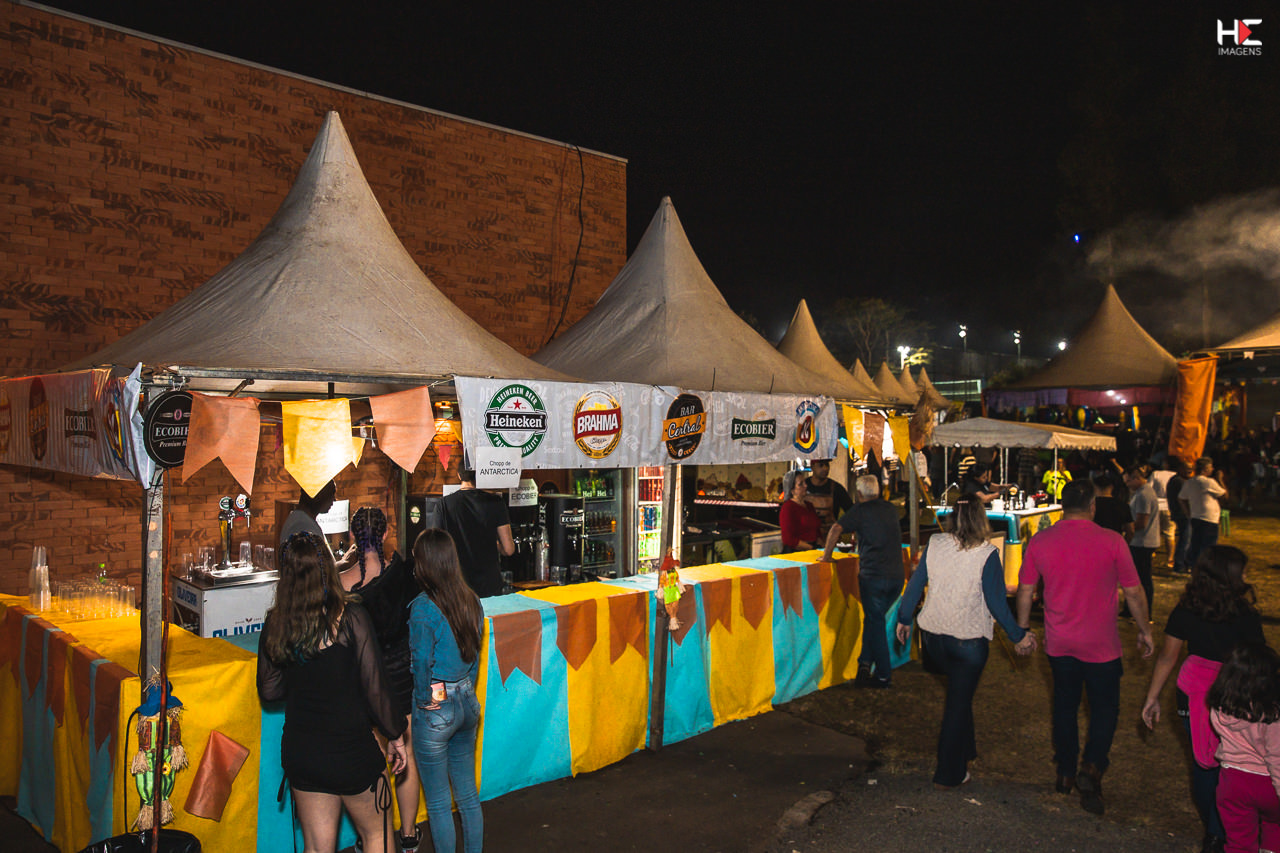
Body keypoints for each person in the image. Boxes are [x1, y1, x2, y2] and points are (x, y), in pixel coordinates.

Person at [257, 531, 408, 853]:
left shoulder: (276, 623)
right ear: (327, 568)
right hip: (350, 749)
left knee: (316, 847)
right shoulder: (351, 617)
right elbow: (375, 688)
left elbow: (270, 691)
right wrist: (395, 734)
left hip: (303, 750)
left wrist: (301, 669)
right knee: (377, 836)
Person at [1016, 479, 1154, 816]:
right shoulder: (1112, 541)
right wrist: (1145, 629)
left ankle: (1065, 771)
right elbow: (1134, 592)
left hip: (1060, 641)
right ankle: (1092, 766)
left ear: (1063, 507)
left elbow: (1025, 589)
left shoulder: (1041, 541)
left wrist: (1022, 629)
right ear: (1092, 506)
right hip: (1101, 644)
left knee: (1064, 705)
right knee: (1104, 709)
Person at [895, 495, 1036, 789]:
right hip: (967, 642)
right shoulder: (987, 554)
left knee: (960, 695)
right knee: (957, 705)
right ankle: (950, 773)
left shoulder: (935, 543)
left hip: (933, 638)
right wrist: (1018, 635)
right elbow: (997, 602)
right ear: (981, 518)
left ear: (952, 517)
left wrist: (904, 618)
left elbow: (916, 583)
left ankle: (967, 749)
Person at [1141, 545, 1265, 853]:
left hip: (1192, 692)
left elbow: (1168, 657)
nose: (1246, 576)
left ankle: (1213, 831)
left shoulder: (1187, 608)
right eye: (1242, 571)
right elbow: (1257, 661)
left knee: (1203, 762)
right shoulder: (1246, 615)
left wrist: (1152, 697)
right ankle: (1219, 829)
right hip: (1234, 693)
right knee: (1230, 762)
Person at [340, 507, 423, 852]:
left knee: (375, 762)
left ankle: (377, 836)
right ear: (386, 533)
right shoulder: (402, 573)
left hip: (365, 679)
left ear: (352, 537)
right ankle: (408, 835)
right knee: (407, 756)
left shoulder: (342, 583)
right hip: (403, 674)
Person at [409, 529, 486, 853]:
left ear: (424, 564)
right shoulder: (472, 600)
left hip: (436, 709)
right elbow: (475, 655)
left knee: (439, 804)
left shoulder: (422, 608)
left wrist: (423, 698)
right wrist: (464, 687)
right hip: (467, 700)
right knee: (467, 796)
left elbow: (420, 662)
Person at [821, 474, 904, 688]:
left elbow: (836, 528)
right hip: (896, 576)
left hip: (874, 577)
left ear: (858, 494)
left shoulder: (860, 510)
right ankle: (864, 665)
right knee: (873, 621)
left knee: (876, 624)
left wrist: (827, 556)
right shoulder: (890, 509)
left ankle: (883, 675)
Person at [1207, 643, 1280, 853]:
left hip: (1232, 782)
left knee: (1238, 843)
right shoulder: (1271, 714)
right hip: (1267, 783)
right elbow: (1276, 756)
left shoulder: (1219, 706)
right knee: (1275, 828)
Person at [440, 468, 515, 598]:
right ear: (480, 474)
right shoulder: (495, 502)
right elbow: (508, 549)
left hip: (457, 584)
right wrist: (496, 544)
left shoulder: (444, 504)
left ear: (459, 475)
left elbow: (438, 548)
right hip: (489, 584)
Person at [1125, 465, 1161, 616]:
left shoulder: (1143, 495)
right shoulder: (1142, 492)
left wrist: (1128, 531)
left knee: (1143, 578)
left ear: (1136, 478)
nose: (1127, 485)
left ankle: (1145, 611)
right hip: (1142, 541)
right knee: (1138, 577)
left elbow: (1141, 521)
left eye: (1128, 481)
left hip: (1142, 542)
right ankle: (1131, 609)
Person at [1184, 457, 1230, 569]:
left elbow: (1181, 498)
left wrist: (1188, 512)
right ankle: (1203, 567)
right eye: (1210, 467)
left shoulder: (1190, 481)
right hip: (1209, 518)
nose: (1212, 469)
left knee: (1196, 543)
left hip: (1195, 516)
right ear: (1205, 469)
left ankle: (1192, 565)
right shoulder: (1209, 482)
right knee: (1208, 545)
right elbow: (1225, 496)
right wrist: (1220, 479)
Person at [804, 458, 853, 537]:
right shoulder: (802, 486)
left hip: (829, 538)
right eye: (821, 465)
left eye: (827, 465)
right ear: (812, 466)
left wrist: (840, 529)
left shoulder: (837, 488)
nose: (825, 468)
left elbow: (851, 513)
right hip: (806, 538)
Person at [779, 469, 821, 551]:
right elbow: (788, 539)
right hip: (797, 552)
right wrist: (811, 548)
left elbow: (817, 530)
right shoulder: (788, 507)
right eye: (800, 484)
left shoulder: (809, 506)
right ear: (792, 490)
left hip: (813, 549)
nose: (805, 486)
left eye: (805, 482)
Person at [1151, 462, 1178, 568]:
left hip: (1156, 506)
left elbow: (1149, 488)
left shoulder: (1156, 474)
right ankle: (1170, 559)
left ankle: (1151, 553)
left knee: (1154, 531)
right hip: (1170, 507)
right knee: (1170, 534)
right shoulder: (1176, 476)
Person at [1169, 459, 1193, 572]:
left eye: (1191, 469)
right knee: (1185, 540)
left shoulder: (1177, 480)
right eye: (1187, 468)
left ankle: (1181, 563)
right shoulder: (1180, 482)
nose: (1190, 471)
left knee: (1185, 539)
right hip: (1183, 514)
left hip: (1180, 513)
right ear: (1180, 469)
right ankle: (1180, 564)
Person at [1091, 472, 1133, 537]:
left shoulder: (1090, 505)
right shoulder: (1123, 505)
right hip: (1115, 540)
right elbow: (1131, 530)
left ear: (1095, 487)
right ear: (1112, 487)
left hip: (1095, 540)